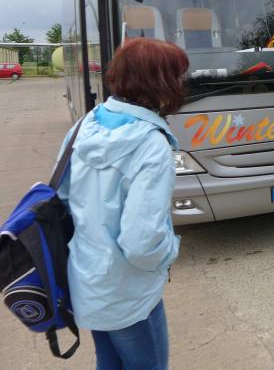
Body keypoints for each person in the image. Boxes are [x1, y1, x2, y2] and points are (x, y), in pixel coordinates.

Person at [57, 38, 188, 370]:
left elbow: (62, 198)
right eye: (177, 75)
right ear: (159, 82)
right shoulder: (151, 145)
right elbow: (141, 243)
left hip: (87, 280)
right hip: (129, 294)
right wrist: (170, 251)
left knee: (108, 362)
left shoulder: (85, 125)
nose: (181, 83)